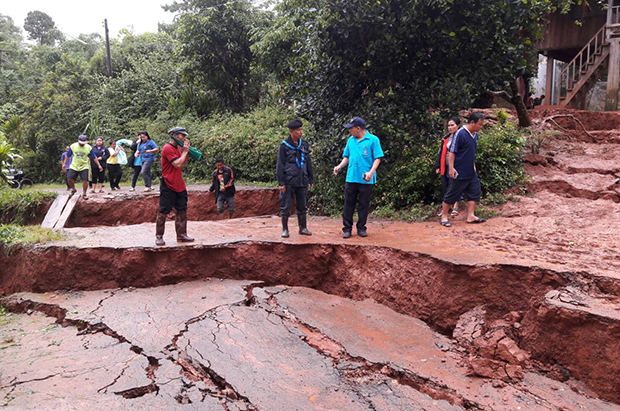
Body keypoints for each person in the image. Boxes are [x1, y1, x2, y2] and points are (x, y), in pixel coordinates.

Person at [333, 117, 384, 238]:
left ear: (358, 128)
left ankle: (361, 228)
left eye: (351, 128)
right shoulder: (351, 140)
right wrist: (339, 166)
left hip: (366, 179)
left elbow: (378, 158)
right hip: (351, 178)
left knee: (363, 204)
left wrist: (371, 172)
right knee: (348, 204)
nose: (350, 131)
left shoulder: (373, 140)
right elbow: (347, 157)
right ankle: (347, 229)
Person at [440, 112, 486, 227]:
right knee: (452, 193)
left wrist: (473, 167)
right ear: (472, 122)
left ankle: (471, 215)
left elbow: (471, 153)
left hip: (471, 171)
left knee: (475, 191)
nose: (480, 127)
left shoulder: (475, 135)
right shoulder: (460, 134)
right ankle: (444, 216)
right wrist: (451, 168)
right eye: (479, 124)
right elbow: (452, 151)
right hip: (459, 171)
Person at [155, 126, 193, 246]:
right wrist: (185, 152)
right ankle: (159, 236)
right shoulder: (167, 148)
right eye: (182, 135)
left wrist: (185, 151)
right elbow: (177, 164)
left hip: (179, 184)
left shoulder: (178, 148)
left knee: (182, 209)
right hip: (168, 184)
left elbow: (184, 162)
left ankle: (181, 234)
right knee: (163, 210)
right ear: (175, 135)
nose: (184, 137)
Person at [276, 119, 314, 238]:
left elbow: (308, 162)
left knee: (302, 205)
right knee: (286, 205)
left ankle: (303, 228)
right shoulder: (284, 146)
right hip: (288, 180)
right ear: (291, 131)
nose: (301, 132)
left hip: (302, 179)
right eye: (298, 130)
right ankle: (285, 229)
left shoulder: (304, 144)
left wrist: (310, 178)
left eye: (301, 130)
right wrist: (281, 182)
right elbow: (280, 164)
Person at [435, 117, 461, 216]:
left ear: (458, 125)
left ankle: (456, 206)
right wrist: (437, 166)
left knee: (455, 185)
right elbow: (441, 152)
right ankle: (447, 207)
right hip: (445, 166)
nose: (450, 127)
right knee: (446, 186)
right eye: (449, 125)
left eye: (452, 125)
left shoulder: (461, 137)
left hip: (456, 165)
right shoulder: (445, 138)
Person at [63, 135, 103, 199]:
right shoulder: (73, 146)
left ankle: (84, 193)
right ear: (78, 141)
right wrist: (64, 164)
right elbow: (68, 155)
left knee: (85, 180)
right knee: (69, 178)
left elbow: (94, 157)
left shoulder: (88, 148)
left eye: (83, 143)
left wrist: (99, 165)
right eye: (81, 143)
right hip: (74, 165)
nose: (82, 145)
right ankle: (73, 189)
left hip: (84, 165)